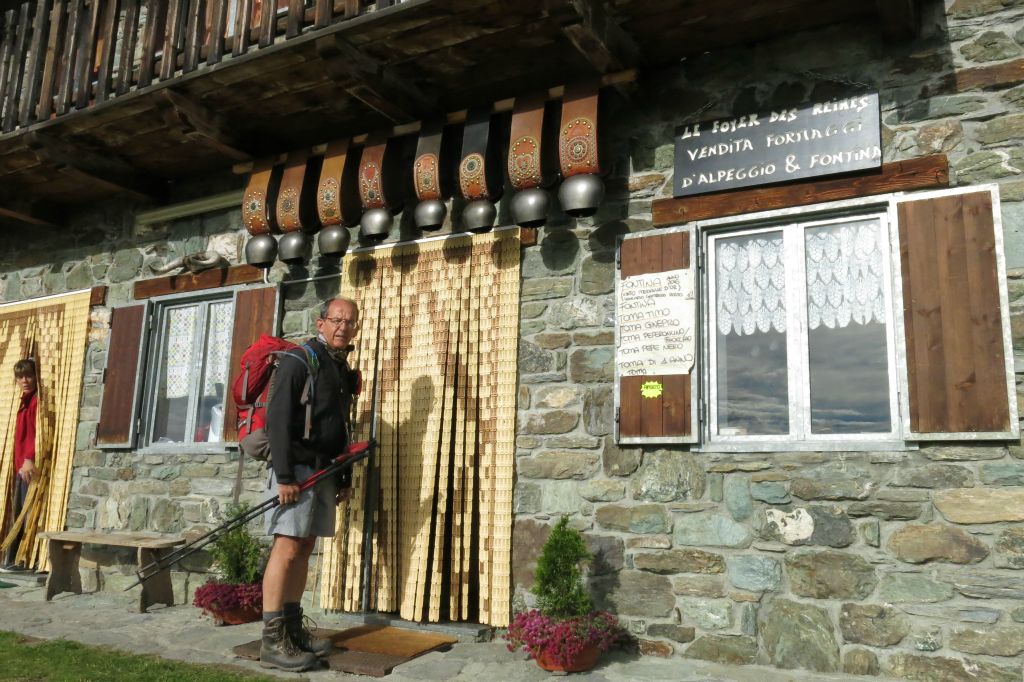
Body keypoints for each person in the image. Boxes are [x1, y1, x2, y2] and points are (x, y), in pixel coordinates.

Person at [259, 297, 360, 672]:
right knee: (286, 548)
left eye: (350, 322)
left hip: (324, 472)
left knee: (304, 548)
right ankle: (272, 642)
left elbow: (342, 428)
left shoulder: (338, 366)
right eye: (336, 320)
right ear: (321, 323)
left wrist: (344, 476)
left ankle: (293, 629)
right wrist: (284, 476)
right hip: (296, 472)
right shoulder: (298, 361)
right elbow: (278, 421)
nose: (343, 327)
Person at [1, 359, 38, 573]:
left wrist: (30, 458)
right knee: (16, 512)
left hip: (28, 467)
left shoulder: (36, 402)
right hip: (17, 466)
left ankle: (24, 560)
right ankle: (11, 559)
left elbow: (37, 433)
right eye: (20, 377)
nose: (24, 380)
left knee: (26, 513)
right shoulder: (22, 401)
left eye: (28, 376)